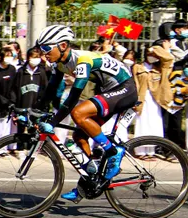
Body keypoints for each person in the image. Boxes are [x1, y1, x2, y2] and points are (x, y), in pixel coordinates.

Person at [33, 25, 138, 203]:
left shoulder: (83, 60)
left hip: (125, 88)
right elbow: (50, 91)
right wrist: (35, 111)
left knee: (78, 113)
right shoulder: (60, 64)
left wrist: (54, 121)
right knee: (79, 135)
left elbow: (74, 95)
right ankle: (89, 182)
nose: (43, 54)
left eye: (46, 48)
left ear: (63, 46)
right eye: (41, 49)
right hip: (109, 91)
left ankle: (111, 151)